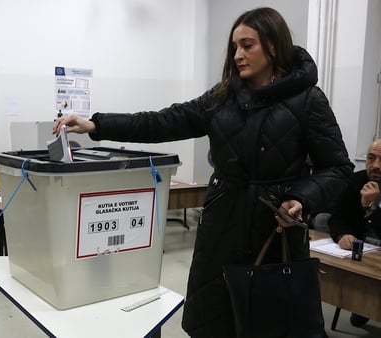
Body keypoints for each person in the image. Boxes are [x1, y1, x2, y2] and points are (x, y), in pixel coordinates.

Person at [53, 7, 353, 337]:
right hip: (221, 229)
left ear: (273, 45)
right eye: (234, 47)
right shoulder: (223, 97)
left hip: (275, 231)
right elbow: (162, 121)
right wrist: (96, 124)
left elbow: (338, 167)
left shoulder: (308, 100)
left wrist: (301, 198)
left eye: (247, 45)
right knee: (215, 321)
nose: (237, 55)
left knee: (273, 324)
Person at [328, 139, 381, 327]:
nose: (375, 166)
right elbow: (337, 218)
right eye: (371, 158)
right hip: (362, 254)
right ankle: (361, 305)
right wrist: (342, 235)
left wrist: (373, 207)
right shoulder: (356, 181)